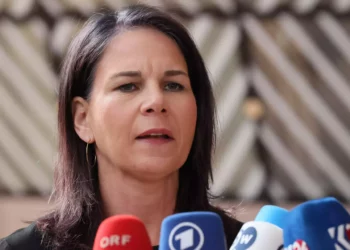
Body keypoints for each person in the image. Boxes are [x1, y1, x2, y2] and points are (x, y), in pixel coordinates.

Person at [0, 3, 243, 250]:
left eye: (173, 85)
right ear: (83, 118)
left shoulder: (246, 244)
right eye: (128, 86)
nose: (156, 102)